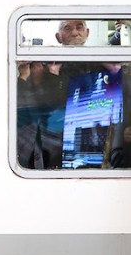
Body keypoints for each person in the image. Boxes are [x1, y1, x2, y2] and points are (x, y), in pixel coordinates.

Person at [17, 20, 124, 169]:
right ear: (58, 37)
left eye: (79, 27)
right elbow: (45, 102)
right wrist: (53, 72)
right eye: (67, 28)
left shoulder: (101, 62)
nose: (74, 33)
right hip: (56, 138)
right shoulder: (48, 64)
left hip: (93, 135)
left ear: (87, 33)